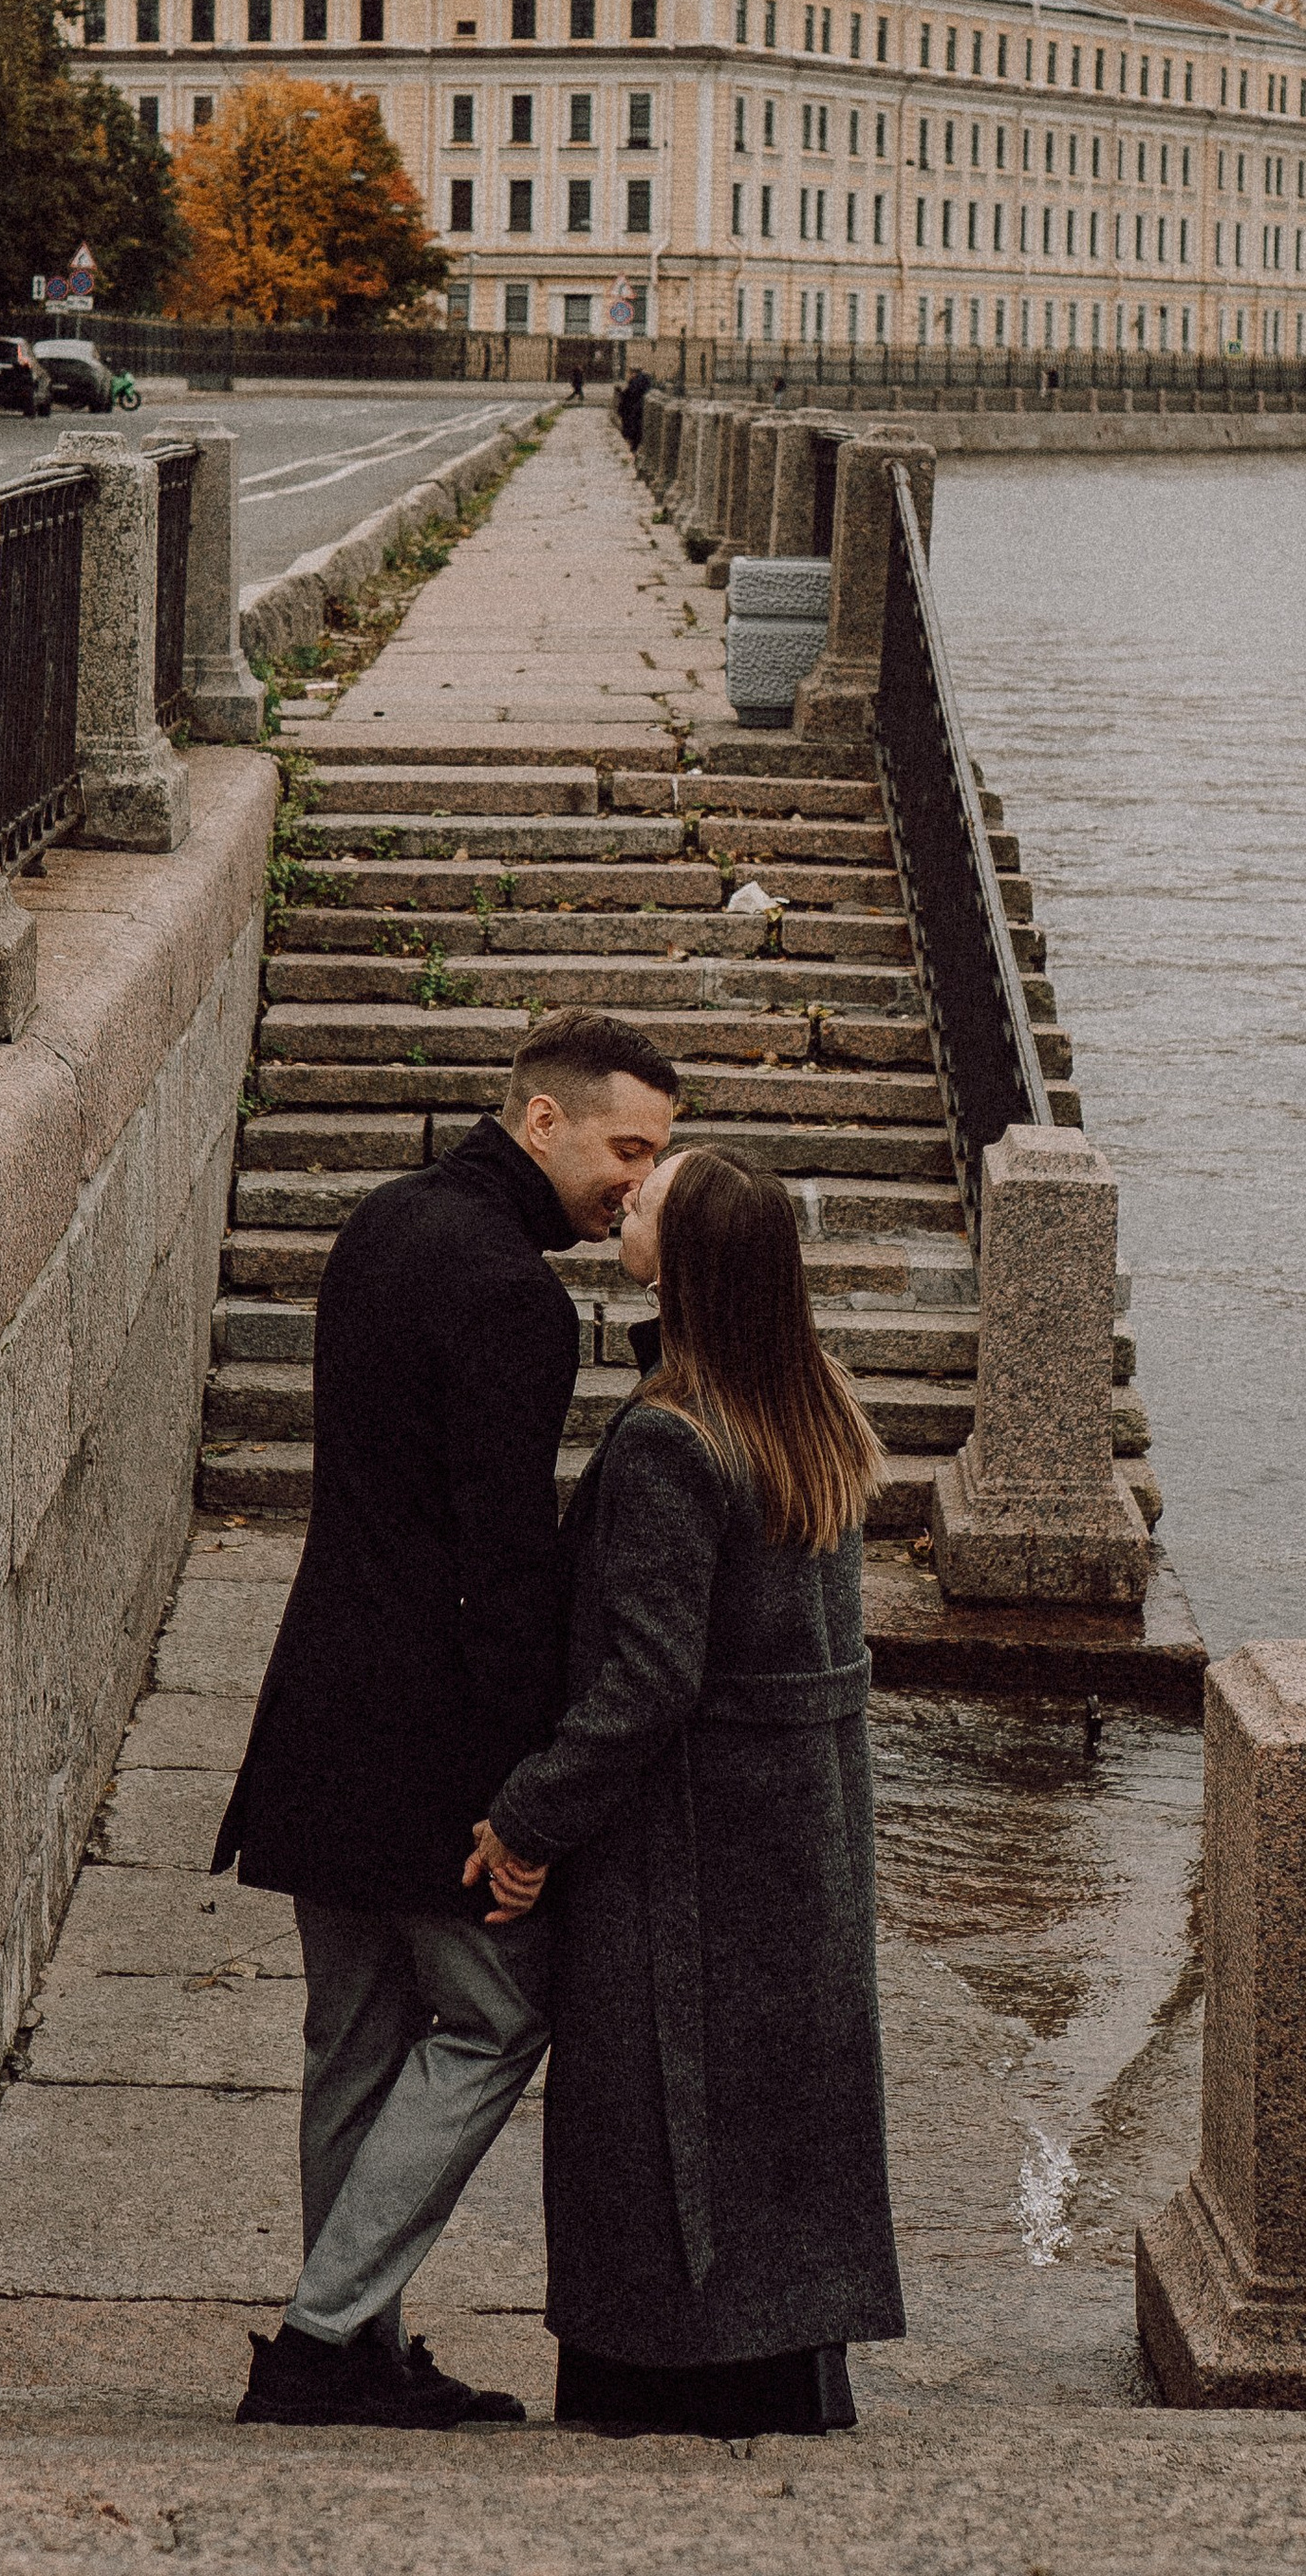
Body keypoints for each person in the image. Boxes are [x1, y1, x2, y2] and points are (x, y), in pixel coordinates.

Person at [213, 1009, 681, 2429]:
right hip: (427, 1742)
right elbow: (504, 1574)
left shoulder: (384, 1226)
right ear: (541, 1120)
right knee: (496, 2019)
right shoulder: (515, 1298)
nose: (636, 1181)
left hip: (317, 1711)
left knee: (352, 2037)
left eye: (655, 1158)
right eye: (626, 1148)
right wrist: (521, 1800)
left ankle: (352, 2348)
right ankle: (321, 2338)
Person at [468, 1146, 904, 2436]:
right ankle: (784, 2390)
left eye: (653, 1194)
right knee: (779, 2134)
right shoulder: (811, 1403)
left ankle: (651, 2406)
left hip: (688, 1852)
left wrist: (528, 1818)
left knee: (661, 2133)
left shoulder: (670, 1439)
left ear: (693, 1259)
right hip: (799, 1840)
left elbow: (649, 1682)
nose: (632, 1191)